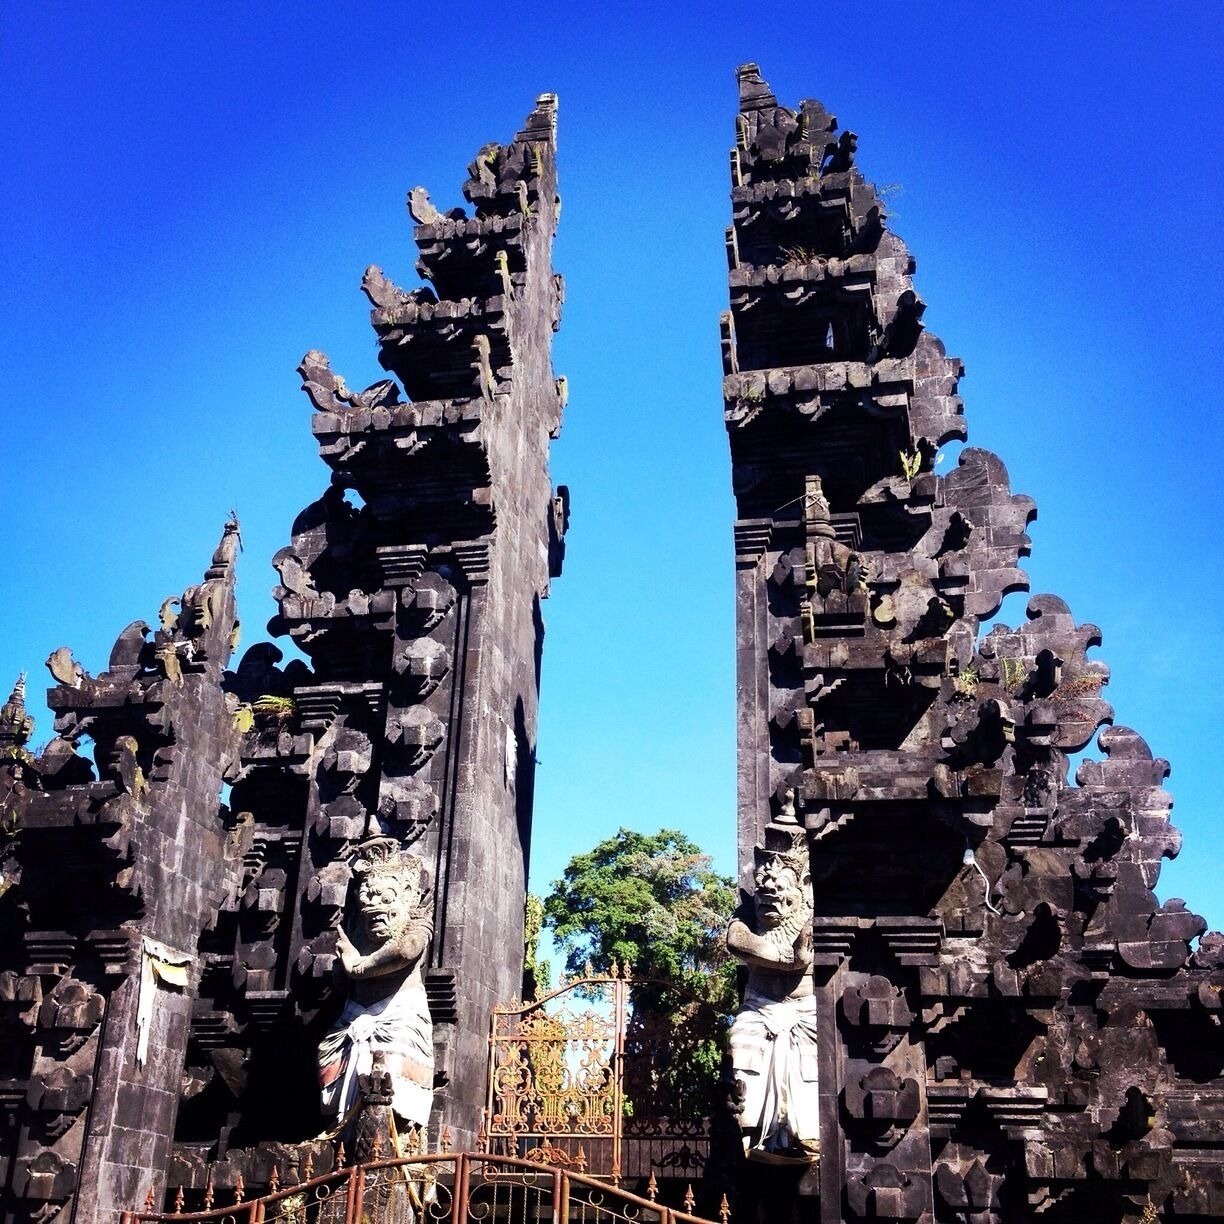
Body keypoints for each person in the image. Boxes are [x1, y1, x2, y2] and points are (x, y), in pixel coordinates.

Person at [318, 837, 435, 1131]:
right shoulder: (358, 930)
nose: (374, 906)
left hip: (400, 1012)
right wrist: (341, 967)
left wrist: (358, 966)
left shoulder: (416, 924)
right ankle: (342, 1126)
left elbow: (406, 950)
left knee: (391, 1068)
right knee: (327, 1057)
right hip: (355, 1012)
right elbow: (341, 983)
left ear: (407, 895)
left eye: (385, 898)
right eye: (368, 898)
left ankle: (394, 1130)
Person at [726, 835, 819, 1163]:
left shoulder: (813, 915)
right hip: (760, 1005)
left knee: (812, 1058)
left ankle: (804, 1132)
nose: (768, 889)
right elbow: (737, 941)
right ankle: (754, 1129)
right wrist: (786, 960)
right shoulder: (748, 912)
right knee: (742, 1040)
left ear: (802, 887)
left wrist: (798, 960)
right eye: (763, 880)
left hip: (806, 1011)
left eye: (779, 883)